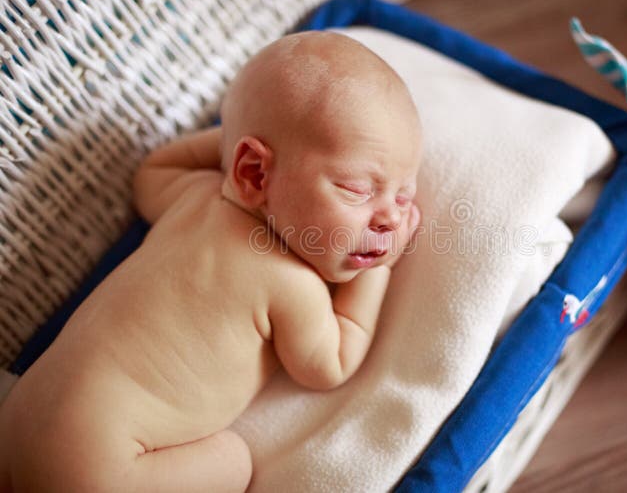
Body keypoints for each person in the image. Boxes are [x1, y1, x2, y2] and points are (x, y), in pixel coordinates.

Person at [0, 31, 422, 492]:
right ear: (254, 172)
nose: (389, 219)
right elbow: (333, 364)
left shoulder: (193, 197)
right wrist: (378, 268)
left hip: (19, 415)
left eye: (404, 197)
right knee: (234, 459)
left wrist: (241, 140)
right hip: (100, 471)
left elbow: (152, 172)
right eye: (358, 190)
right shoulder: (291, 284)